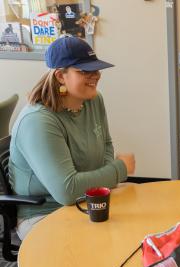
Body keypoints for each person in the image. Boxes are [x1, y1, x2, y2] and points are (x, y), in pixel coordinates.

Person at [9, 36, 135, 240]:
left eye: (96, 69)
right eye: (84, 71)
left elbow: (106, 144)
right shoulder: (38, 120)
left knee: (138, 230)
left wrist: (102, 189)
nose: (95, 76)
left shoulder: (93, 100)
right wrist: (119, 170)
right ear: (60, 76)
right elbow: (66, 191)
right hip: (45, 212)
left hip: (88, 198)